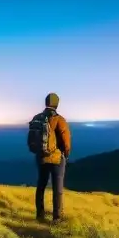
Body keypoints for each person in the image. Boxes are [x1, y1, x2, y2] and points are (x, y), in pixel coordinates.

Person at [27, 92, 72, 223]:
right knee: (57, 188)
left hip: (41, 157)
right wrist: (66, 154)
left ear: (46, 102)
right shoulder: (59, 119)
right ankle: (57, 218)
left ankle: (40, 215)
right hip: (57, 159)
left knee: (41, 186)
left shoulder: (37, 118)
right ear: (56, 104)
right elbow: (66, 141)